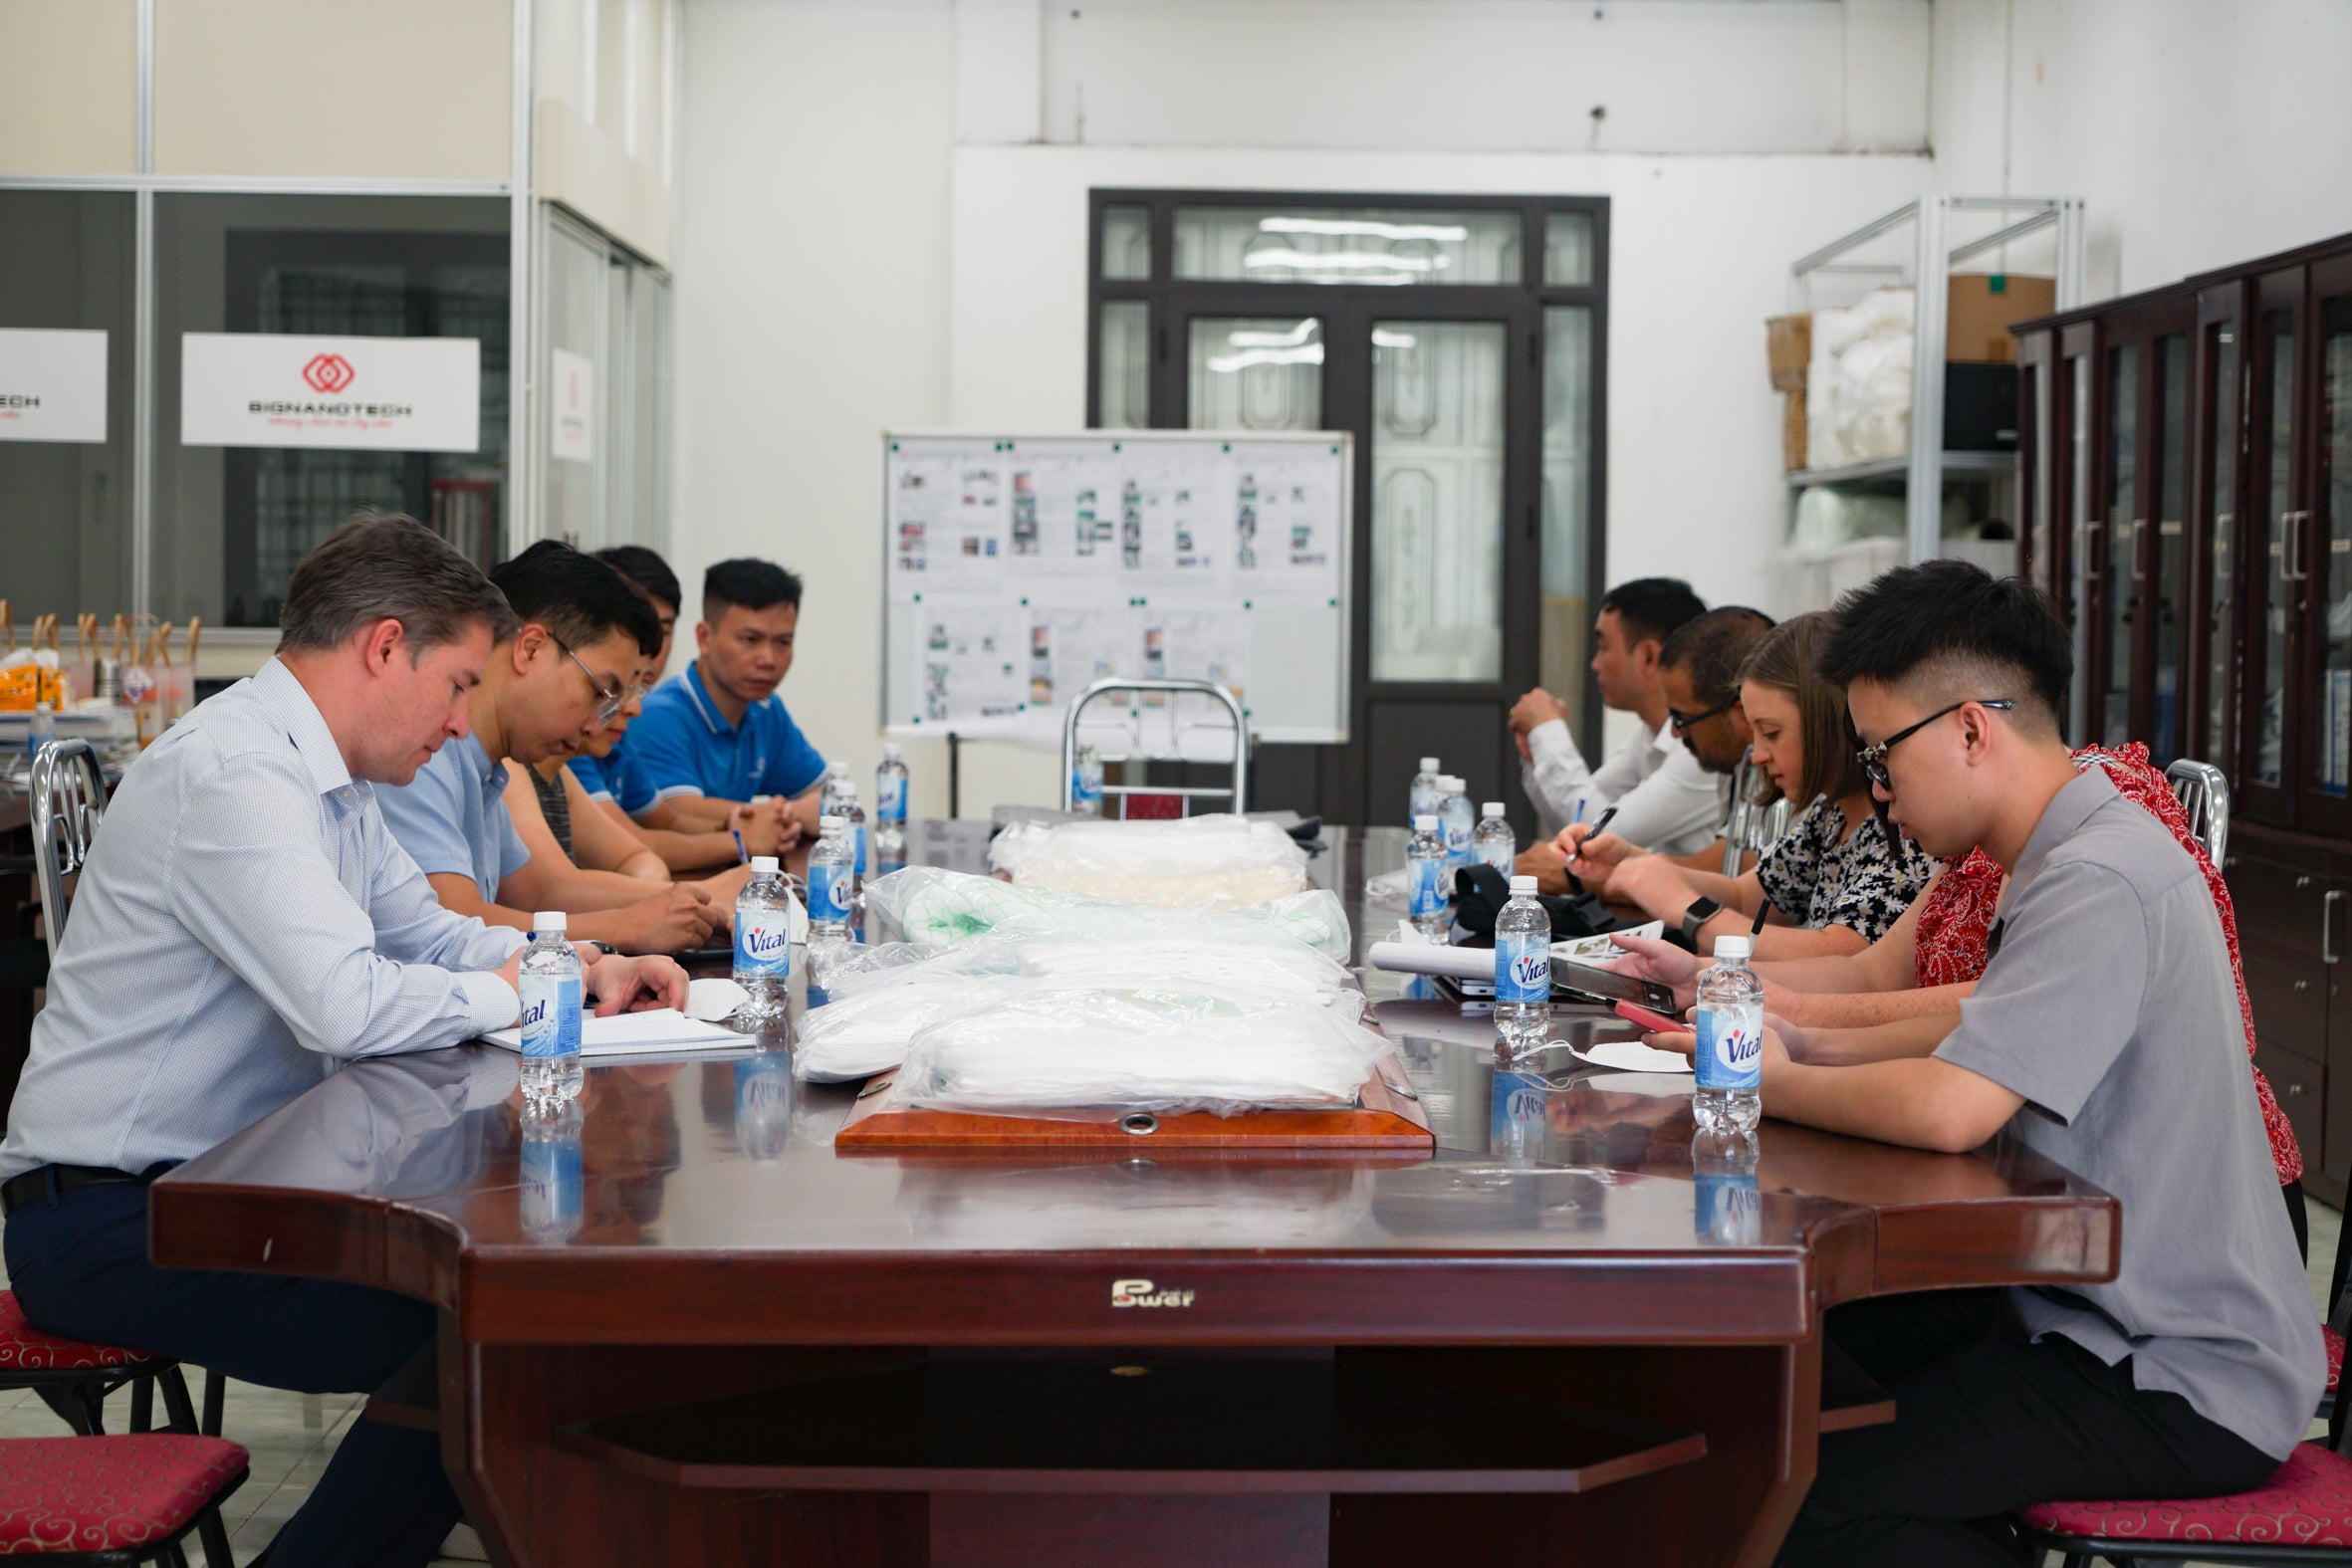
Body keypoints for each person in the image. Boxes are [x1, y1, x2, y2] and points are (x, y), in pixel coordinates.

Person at [0, 513, 685, 1568]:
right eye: (459, 683)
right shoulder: (236, 774)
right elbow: (347, 1005)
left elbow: (430, 932)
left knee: (499, 1324)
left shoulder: (333, 783)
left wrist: (580, 972)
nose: (464, 726)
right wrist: (521, 992)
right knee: (480, 1344)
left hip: (215, 1191)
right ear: (381, 647)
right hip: (103, 1218)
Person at [1692, 562, 2321, 1568]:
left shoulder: (2098, 877)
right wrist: (1787, 1041)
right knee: (1789, 1394)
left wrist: (1744, 1079)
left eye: (1882, 757)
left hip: (2172, 1370)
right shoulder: (2065, 850)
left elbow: (1950, 1107)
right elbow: (1963, 1026)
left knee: (1804, 1497)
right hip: (2072, 1308)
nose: (1881, 792)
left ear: (1970, 729)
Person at [373, 541, 739, 954]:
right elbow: (454, 922)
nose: (592, 723)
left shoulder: (486, 765)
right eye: (599, 692)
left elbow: (538, 892)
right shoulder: (428, 746)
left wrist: (690, 901)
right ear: (531, 649)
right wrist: (626, 927)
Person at [1560, 612, 1934, 958]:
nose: (1757, 755)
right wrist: (1632, 863)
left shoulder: (1907, 828)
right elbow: (1745, 896)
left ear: (1828, 723)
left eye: (1771, 732)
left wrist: (1685, 907)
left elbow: (1840, 955)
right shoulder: (1831, 818)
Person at [571, 546, 795, 873]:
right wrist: (741, 840)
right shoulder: (573, 736)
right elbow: (631, 847)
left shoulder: (619, 724)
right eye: (632, 631)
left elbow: (666, 821)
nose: (651, 649)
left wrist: (735, 825)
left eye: (662, 631)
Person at [1531, 604, 1780, 895]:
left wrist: (1582, 877)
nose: (1675, 732)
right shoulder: (1733, 762)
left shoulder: (1783, 772)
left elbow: (1733, 884)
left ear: (1741, 714)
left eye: (1683, 719)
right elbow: (1584, 823)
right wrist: (1622, 863)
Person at [1510, 577, 1725, 854]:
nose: (1595, 664)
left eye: (1604, 647)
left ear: (1648, 657)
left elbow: (1600, 835)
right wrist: (1536, 751)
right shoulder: (1648, 735)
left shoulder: (1700, 750)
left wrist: (1549, 731)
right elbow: (1574, 824)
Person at [629, 558, 827, 836]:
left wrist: (784, 815)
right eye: (750, 640)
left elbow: (828, 796)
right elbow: (679, 811)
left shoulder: (766, 709)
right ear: (704, 637)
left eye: (783, 642)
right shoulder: (657, 714)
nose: (768, 659)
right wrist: (790, 813)